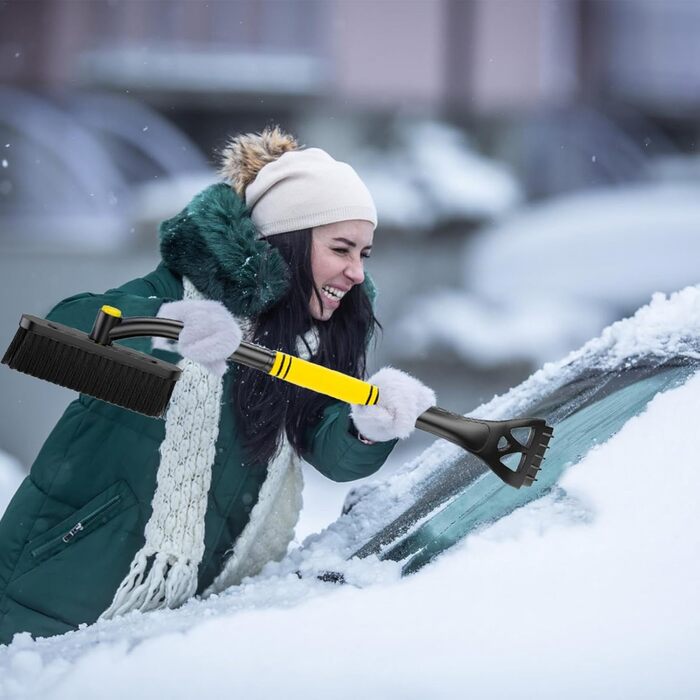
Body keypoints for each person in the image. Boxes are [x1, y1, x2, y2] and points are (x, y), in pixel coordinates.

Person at [0, 126, 435, 644]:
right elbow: (65, 333)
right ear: (288, 241)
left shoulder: (311, 342)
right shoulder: (179, 287)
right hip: (56, 581)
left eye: (364, 253)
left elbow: (327, 444)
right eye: (342, 248)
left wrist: (366, 426)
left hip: (182, 609)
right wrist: (166, 327)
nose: (357, 272)